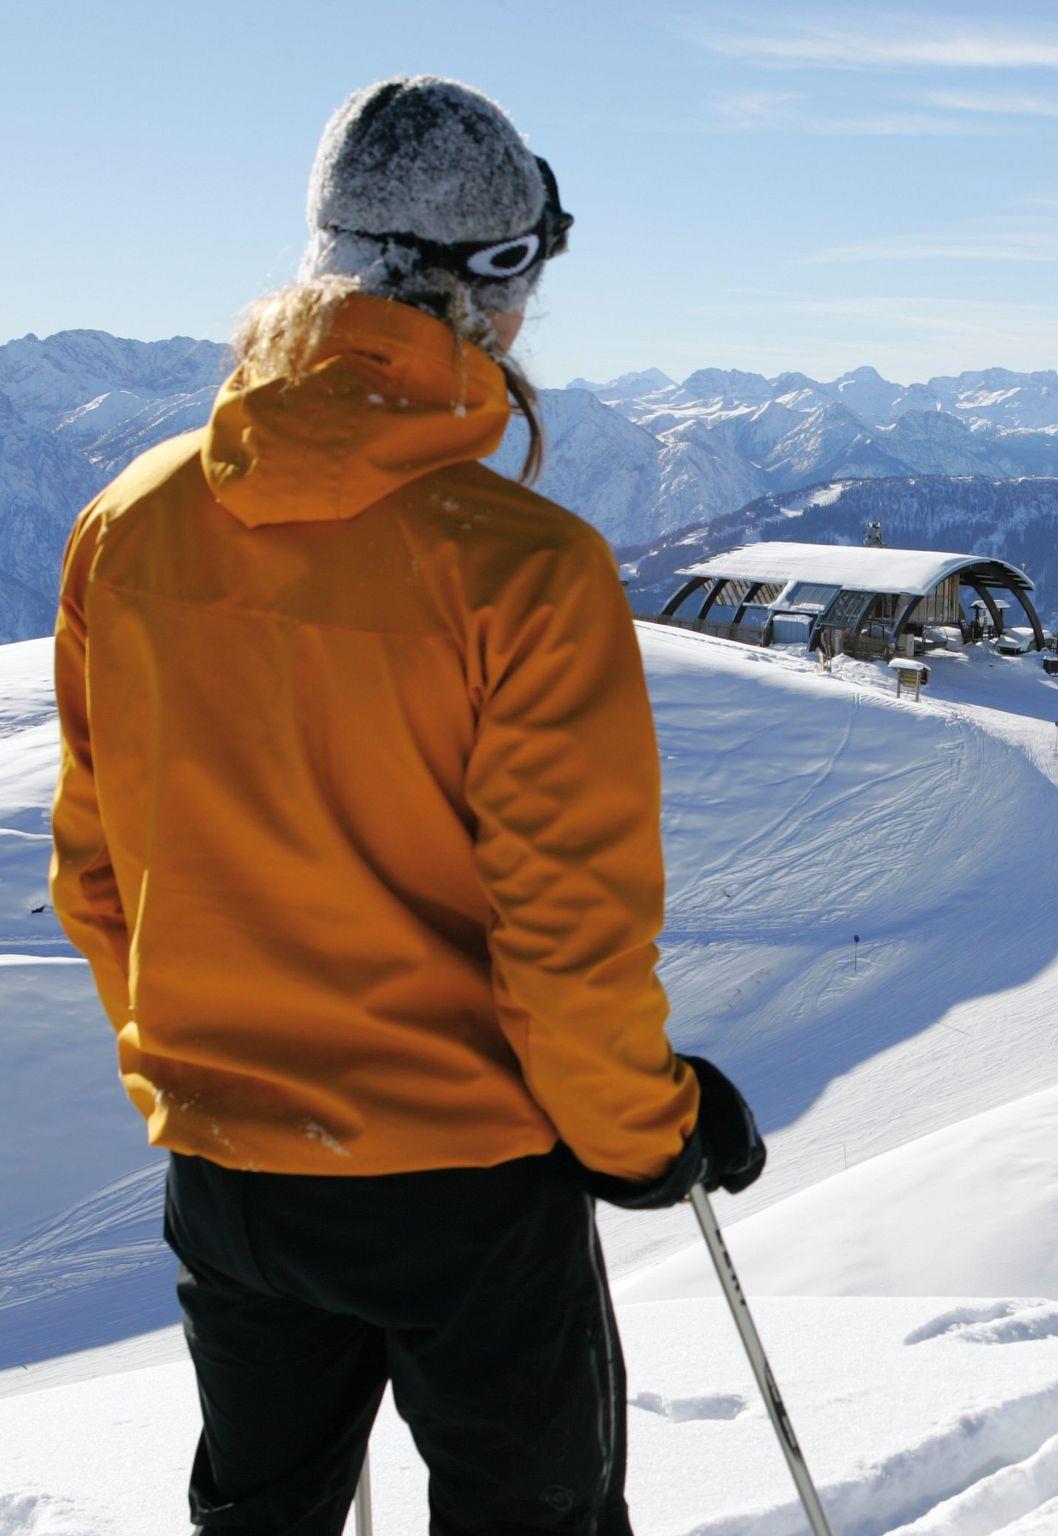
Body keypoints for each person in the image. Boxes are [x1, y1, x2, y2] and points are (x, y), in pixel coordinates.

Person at [49, 77, 764, 1536]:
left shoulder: (130, 525)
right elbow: (564, 939)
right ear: (490, 278)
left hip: (230, 1174)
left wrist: (207, 1080)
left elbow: (98, 874)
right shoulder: (522, 570)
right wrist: (652, 1134)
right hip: (462, 1187)